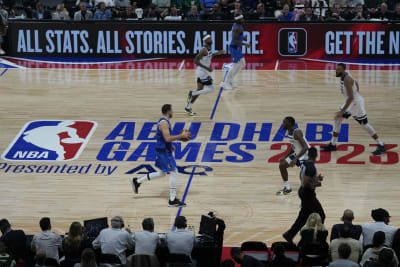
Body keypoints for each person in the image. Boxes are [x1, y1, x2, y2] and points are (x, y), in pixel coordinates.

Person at [131, 104, 190, 207]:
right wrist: (181, 136)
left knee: (162, 173)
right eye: (172, 110)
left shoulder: (164, 122)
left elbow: (163, 138)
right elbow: (167, 138)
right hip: (163, 152)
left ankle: (137, 181)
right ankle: (172, 200)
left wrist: (170, 145)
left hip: (163, 149)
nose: (173, 112)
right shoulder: (164, 123)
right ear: (168, 111)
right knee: (174, 171)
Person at [321, 63, 386, 156]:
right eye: (336, 69)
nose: (336, 71)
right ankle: (333, 144)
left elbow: (351, 97)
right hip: (351, 102)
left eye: (338, 69)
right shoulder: (345, 76)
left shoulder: (347, 79)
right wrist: (356, 93)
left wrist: (342, 111)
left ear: (343, 70)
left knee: (364, 125)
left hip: (355, 104)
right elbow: (356, 83)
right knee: (337, 119)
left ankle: (381, 144)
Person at [282, 147, 325, 242]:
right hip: (307, 193)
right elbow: (306, 182)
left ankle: (289, 234)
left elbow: (304, 177)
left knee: (303, 216)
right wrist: (317, 184)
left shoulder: (305, 163)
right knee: (321, 215)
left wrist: (316, 178)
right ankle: (317, 238)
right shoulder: (311, 166)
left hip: (303, 191)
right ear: (316, 155)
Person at [184, 35, 224, 116]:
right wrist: (207, 68)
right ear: (205, 41)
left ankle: (188, 107)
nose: (211, 39)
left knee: (199, 90)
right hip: (203, 73)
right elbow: (195, 60)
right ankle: (192, 93)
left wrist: (218, 53)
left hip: (202, 72)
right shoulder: (203, 50)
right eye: (209, 39)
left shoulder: (208, 50)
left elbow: (210, 55)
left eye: (211, 38)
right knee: (212, 89)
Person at [277, 116, 310, 195]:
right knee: (282, 165)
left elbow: (305, 147)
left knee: (302, 177)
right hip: (298, 153)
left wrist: (295, 159)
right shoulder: (290, 131)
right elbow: (294, 147)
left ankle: (307, 194)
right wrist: (285, 156)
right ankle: (287, 188)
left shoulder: (297, 133)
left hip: (305, 155)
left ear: (290, 123)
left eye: (284, 122)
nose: (283, 124)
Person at [221, 14, 249, 91]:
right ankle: (225, 82)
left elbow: (232, 34)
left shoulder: (236, 25)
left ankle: (231, 79)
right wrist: (245, 44)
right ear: (239, 19)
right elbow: (233, 40)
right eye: (242, 19)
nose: (243, 20)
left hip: (237, 48)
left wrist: (242, 37)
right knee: (235, 65)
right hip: (234, 48)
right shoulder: (237, 27)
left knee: (242, 63)